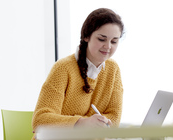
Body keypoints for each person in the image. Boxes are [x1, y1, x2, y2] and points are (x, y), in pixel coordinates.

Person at [32, 7, 124, 139]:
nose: (108, 46)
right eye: (102, 39)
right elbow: (40, 120)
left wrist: (99, 124)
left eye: (114, 41)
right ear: (86, 36)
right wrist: (82, 123)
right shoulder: (63, 68)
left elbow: (114, 118)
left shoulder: (113, 69)